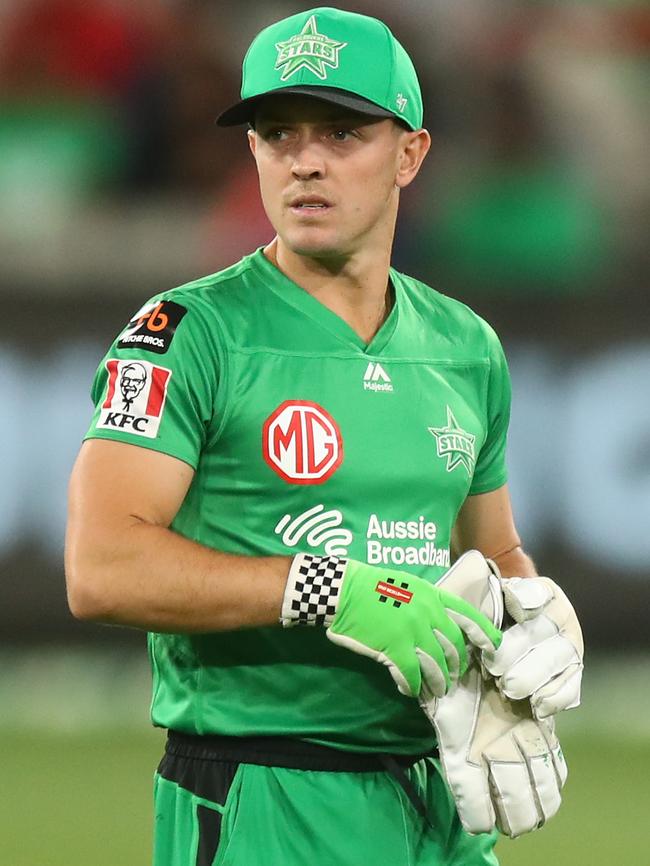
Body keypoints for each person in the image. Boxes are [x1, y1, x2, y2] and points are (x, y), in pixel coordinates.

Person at [65, 7, 583, 866]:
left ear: (410, 154)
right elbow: (101, 567)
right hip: (268, 792)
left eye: (343, 132)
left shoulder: (465, 347)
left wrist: (538, 627)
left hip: (444, 801)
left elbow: (496, 556)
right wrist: (329, 589)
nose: (305, 160)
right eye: (278, 134)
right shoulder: (188, 335)